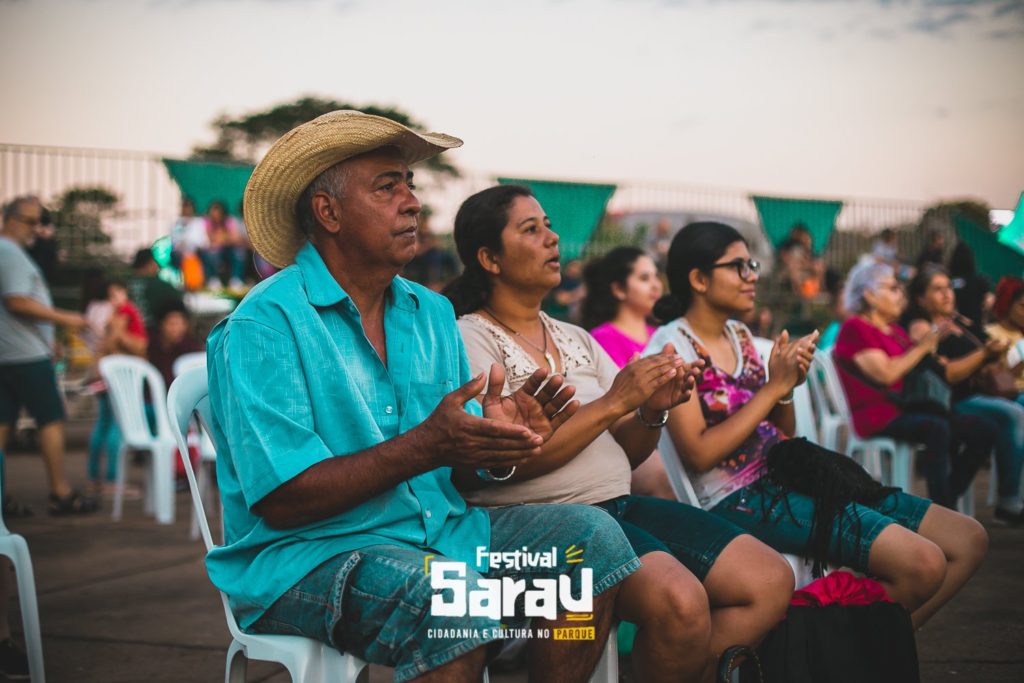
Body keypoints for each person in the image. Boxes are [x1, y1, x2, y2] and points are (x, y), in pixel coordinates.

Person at [205, 110, 640, 683]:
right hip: (311, 559)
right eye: (388, 187)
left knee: (589, 546)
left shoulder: (431, 313)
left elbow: (455, 480)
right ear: (328, 212)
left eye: (409, 184)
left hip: (441, 535)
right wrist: (428, 445)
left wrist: (499, 443)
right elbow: (284, 500)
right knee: (455, 606)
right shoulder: (265, 326)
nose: (412, 201)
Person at [446, 186, 794, 682]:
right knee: (681, 603)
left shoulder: (575, 338)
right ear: (489, 259)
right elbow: (501, 463)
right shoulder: (470, 336)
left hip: (619, 505)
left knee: (767, 578)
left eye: (548, 224)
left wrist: (651, 411)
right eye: (531, 229)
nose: (552, 237)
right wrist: (616, 401)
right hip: (547, 523)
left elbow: (626, 451)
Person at [652, 221, 986, 630]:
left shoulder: (739, 335)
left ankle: (856, 653)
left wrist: (786, 389)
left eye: (751, 265)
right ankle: (841, 656)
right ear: (699, 279)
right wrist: (772, 387)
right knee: (922, 564)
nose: (752, 276)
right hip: (736, 497)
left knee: (967, 540)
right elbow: (699, 453)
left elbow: (784, 434)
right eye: (738, 267)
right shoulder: (672, 348)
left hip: (789, 476)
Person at [835, 261, 994, 509]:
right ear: (869, 294)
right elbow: (886, 374)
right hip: (879, 414)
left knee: (982, 430)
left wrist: (932, 355)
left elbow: (916, 364)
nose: (900, 294)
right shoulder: (855, 327)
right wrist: (922, 348)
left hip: (910, 406)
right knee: (937, 428)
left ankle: (944, 502)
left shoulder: (894, 330)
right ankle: (943, 510)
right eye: (892, 288)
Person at [902, 267, 1024, 526]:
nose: (947, 294)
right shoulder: (922, 327)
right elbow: (949, 375)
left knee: (1014, 409)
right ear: (920, 298)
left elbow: (993, 366)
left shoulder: (961, 323)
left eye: (948, 287)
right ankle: (1008, 500)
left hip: (979, 394)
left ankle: (955, 500)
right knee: (1011, 414)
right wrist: (984, 355)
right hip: (951, 401)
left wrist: (995, 355)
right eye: (937, 289)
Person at [0, 195, 98, 515]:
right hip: (25, 356)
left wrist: (48, 339)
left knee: (4, 423)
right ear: (9, 220)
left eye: (38, 222)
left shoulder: (12, 253)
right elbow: (17, 302)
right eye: (29, 221)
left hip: (15, 351)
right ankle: (60, 491)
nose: (36, 229)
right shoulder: (10, 253)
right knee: (51, 418)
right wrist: (66, 318)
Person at [582, 246, 674, 499]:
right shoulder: (602, 338)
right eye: (644, 278)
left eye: (656, 277)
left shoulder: (661, 335)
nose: (656, 285)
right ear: (618, 289)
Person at [985, 276, 1024, 406]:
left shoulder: (1021, 336)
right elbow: (997, 379)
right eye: (1022, 306)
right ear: (1008, 303)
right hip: (1009, 397)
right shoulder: (990, 333)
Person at [127, 247, 184, 333]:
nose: (157, 266)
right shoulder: (157, 284)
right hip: (152, 333)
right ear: (149, 264)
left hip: (129, 332)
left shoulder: (125, 283)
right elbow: (178, 297)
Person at [147, 301, 201, 389]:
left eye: (180, 323)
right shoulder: (152, 345)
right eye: (171, 324)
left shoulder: (192, 348)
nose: (175, 329)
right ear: (161, 324)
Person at [403, 206, 459, 292]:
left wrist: (432, 245)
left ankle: (454, 280)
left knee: (447, 256)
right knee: (434, 255)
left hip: (430, 254)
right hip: (418, 257)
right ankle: (432, 282)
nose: (425, 222)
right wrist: (429, 246)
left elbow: (438, 245)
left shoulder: (429, 232)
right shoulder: (415, 232)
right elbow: (417, 250)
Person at [948, 241, 990, 337]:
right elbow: (987, 303)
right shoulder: (980, 281)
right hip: (977, 324)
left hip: (957, 325)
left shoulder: (952, 282)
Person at [200, 199, 245, 289]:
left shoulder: (230, 221)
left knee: (239, 253)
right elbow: (208, 241)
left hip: (229, 251)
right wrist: (224, 238)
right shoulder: (206, 222)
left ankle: (236, 279)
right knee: (210, 254)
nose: (215, 216)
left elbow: (236, 239)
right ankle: (213, 279)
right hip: (214, 252)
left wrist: (220, 240)